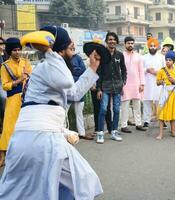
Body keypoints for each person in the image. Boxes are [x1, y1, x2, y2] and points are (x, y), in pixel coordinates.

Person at [0, 27, 103, 199]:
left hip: (31, 139)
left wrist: (92, 67)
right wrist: (49, 51)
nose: (72, 44)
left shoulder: (50, 69)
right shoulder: (48, 66)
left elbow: (74, 92)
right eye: (67, 41)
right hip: (41, 141)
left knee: (25, 190)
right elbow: (67, 81)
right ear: (59, 47)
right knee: (80, 181)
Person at [0, 38, 32, 167]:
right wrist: (19, 81)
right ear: (9, 51)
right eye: (14, 50)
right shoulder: (5, 66)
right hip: (13, 99)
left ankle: (24, 154)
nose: (17, 52)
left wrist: (27, 77)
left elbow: (31, 77)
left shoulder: (26, 62)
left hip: (26, 98)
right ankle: (3, 154)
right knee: (9, 127)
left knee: (25, 126)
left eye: (19, 49)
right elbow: (5, 85)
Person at [96, 32, 127, 144]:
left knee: (116, 109)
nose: (112, 41)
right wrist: (99, 88)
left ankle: (114, 131)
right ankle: (100, 133)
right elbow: (98, 72)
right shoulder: (102, 55)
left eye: (114, 39)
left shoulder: (119, 55)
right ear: (106, 41)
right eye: (110, 39)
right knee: (104, 109)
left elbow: (124, 70)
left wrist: (123, 81)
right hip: (105, 86)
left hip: (117, 86)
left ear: (117, 42)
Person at [121, 36, 146, 133]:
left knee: (137, 105)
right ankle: (124, 125)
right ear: (125, 44)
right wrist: (120, 84)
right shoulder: (121, 55)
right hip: (125, 84)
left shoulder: (138, 56)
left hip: (136, 84)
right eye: (128, 43)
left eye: (132, 43)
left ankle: (138, 124)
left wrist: (142, 83)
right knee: (125, 106)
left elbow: (141, 71)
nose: (130, 45)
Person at [66, 53, 94, 140]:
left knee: (79, 113)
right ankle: (64, 134)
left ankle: (82, 133)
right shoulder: (63, 58)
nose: (72, 49)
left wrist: (74, 70)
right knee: (63, 113)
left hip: (79, 88)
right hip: (68, 89)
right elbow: (66, 72)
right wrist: (75, 70)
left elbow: (83, 70)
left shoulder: (78, 58)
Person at [156, 51, 175, 139]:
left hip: (174, 94)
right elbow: (157, 82)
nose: (168, 61)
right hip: (164, 93)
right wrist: (161, 82)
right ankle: (160, 133)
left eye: (170, 60)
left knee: (173, 114)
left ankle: (173, 131)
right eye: (167, 60)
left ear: (173, 61)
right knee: (162, 113)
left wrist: (174, 81)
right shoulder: (162, 71)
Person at [143, 37, 165, 128]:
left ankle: (162, 120)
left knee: (159, 102)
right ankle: (146, 121)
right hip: (147, 82)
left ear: (157, 47)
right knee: (146, 101)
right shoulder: (143, 57)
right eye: (151, 46)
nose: (152, 47)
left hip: (158, 83)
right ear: (148, 46)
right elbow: (140, 70)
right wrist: (147, 70)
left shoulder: (162, 57)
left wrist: (157, 72)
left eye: (154, 46)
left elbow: (165, 70)